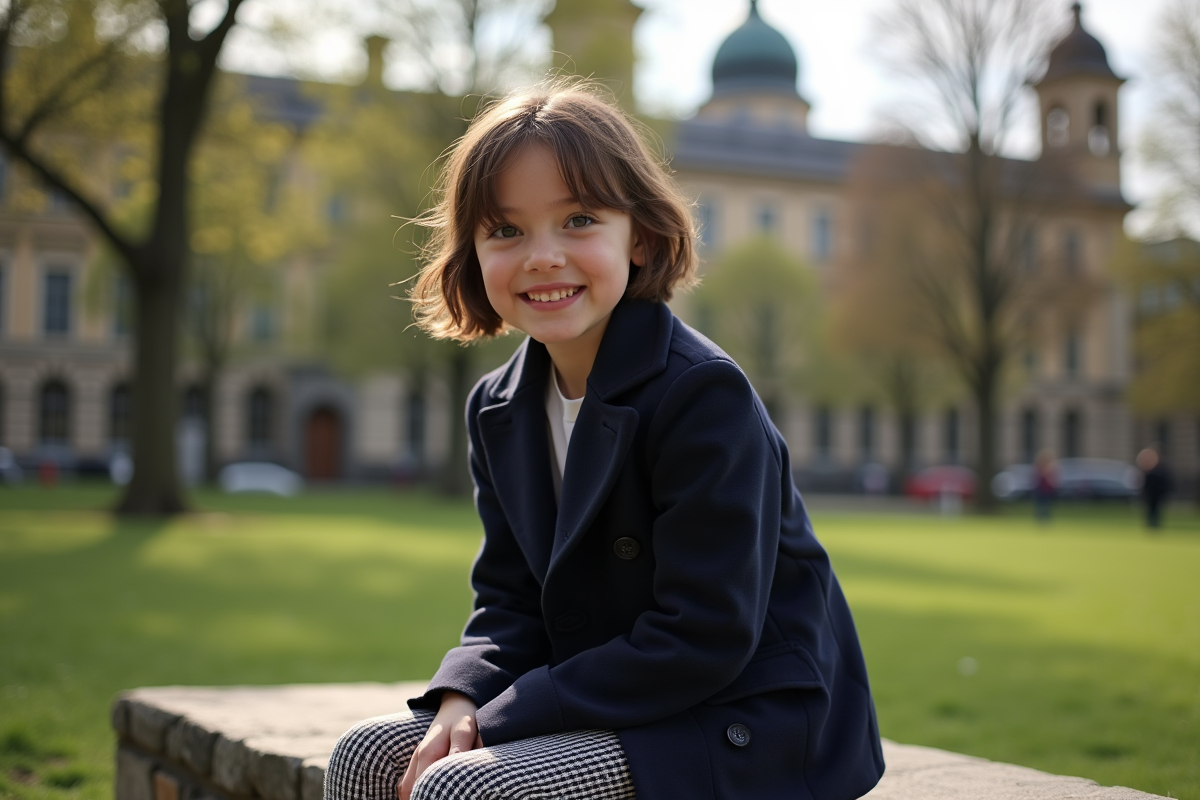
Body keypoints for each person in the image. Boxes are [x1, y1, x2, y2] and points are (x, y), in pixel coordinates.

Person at [324, 82, 885, 800]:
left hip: (738, 721)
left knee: (465, 789)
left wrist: (509, 719)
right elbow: (509, 599)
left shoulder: (700, 394)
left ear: (640, 236)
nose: (542, 257)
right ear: (471, 249)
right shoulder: (497, 406)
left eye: (579, 219)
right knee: (364, 757)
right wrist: (462, 696)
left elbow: (703, 636)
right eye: (506, 230)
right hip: (605, 698)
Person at [1137, 447, 1172, 530]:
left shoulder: (1159, 471)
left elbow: (1164, 484)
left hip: (1156, 494)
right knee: (1149, 509)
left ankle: (1155, 524)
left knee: (1156, 509)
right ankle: (1150, 524)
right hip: (1150, 494)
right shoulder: (1148, 472)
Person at [1033, 449, 1058, 524]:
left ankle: (1046, 521)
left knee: (1047, 506)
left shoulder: (1050, 468)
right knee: (1041, 506)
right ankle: (1041, 521)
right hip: (1041, 490)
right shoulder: (1039, 468)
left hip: (1047, 490)